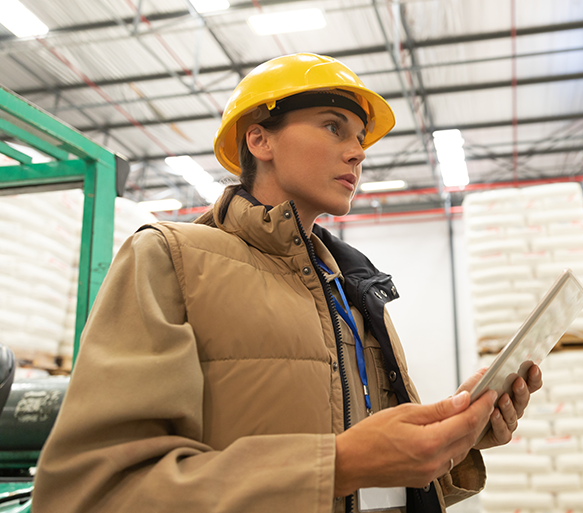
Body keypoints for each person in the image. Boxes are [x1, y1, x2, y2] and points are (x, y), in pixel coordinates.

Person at [31, 53, 543, 513]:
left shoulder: (353, 289)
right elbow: (91, 493)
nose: (358, 153)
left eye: (360, 139)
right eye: (333, 127)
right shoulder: (172, 260)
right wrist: (336, 465)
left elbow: (378, 482)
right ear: (260, 139)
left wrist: (455, 439)